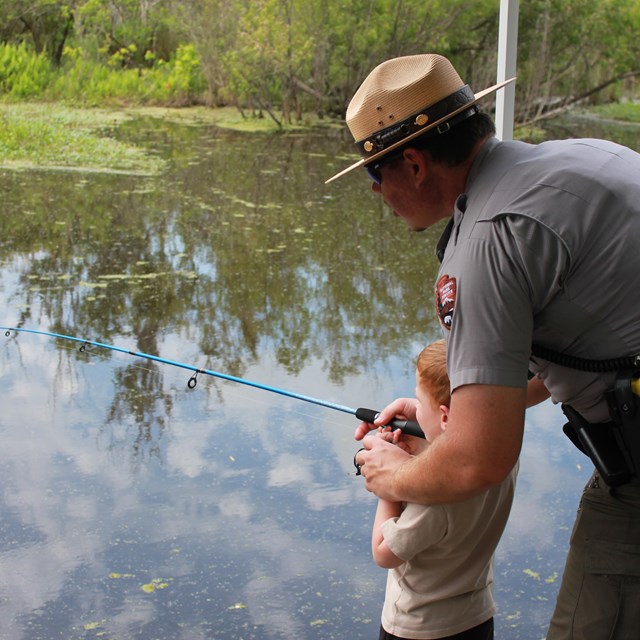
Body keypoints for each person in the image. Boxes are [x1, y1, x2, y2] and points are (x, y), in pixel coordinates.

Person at [328, 53, 640, 640]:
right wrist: (447, 408)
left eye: (375, 176)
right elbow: (592, 344)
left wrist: (389, 474)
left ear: (415, 165)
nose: (377, 193)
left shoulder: (488, 242)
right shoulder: (588, 158)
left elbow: (479, 459)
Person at [366, 339, 517, 640]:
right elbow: (459, 448)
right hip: (475, 617)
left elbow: (384, 552)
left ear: (445, 416)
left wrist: (389, 484)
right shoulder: (503, 456)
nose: (415, 408)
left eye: (418, 401)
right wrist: (417, 452)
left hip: (417, 627)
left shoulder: (436, 494)